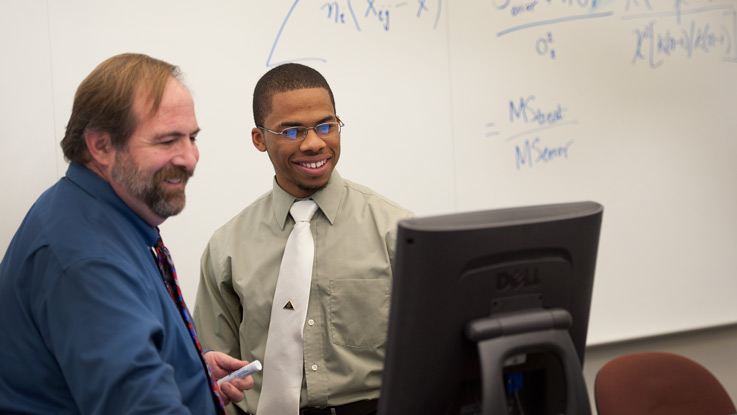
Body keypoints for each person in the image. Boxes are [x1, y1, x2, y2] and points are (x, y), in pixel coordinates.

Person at [0, 53, 254, 415]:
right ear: (101, 146)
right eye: (167, 141)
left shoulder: (95, 215)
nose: (189, 158)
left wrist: (188, 374)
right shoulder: (88, 261)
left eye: (192, 137)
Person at [193, 63, 414, 415]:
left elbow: (431, 357)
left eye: (327, 126)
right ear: (259, 139)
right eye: (292, 131)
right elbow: (213, 379)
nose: (314, 144)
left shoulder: (398, 232)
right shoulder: (226, 249)